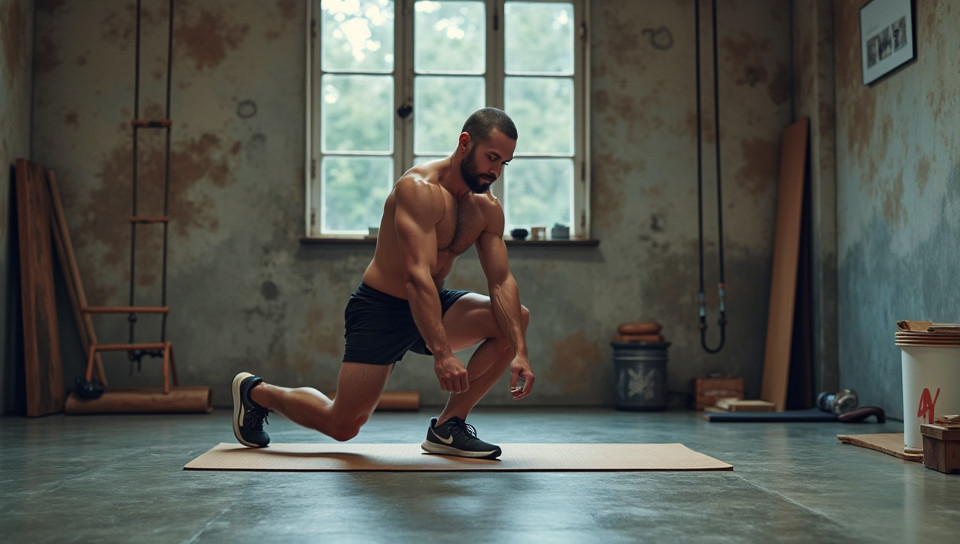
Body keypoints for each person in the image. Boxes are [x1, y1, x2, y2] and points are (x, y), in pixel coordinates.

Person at [232, 107, 533, 459]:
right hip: (382, 308)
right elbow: (415, 275)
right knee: (342, 425)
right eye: (492, 158)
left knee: (515, 320)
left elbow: (500, 281)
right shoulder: (419, 190)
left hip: (433, 302)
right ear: (465, 143)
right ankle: (255, 392)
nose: (495, 171)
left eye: (504, 164)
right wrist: (443, 354)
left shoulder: (487, 207)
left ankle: (447, 427)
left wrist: (520, 350)